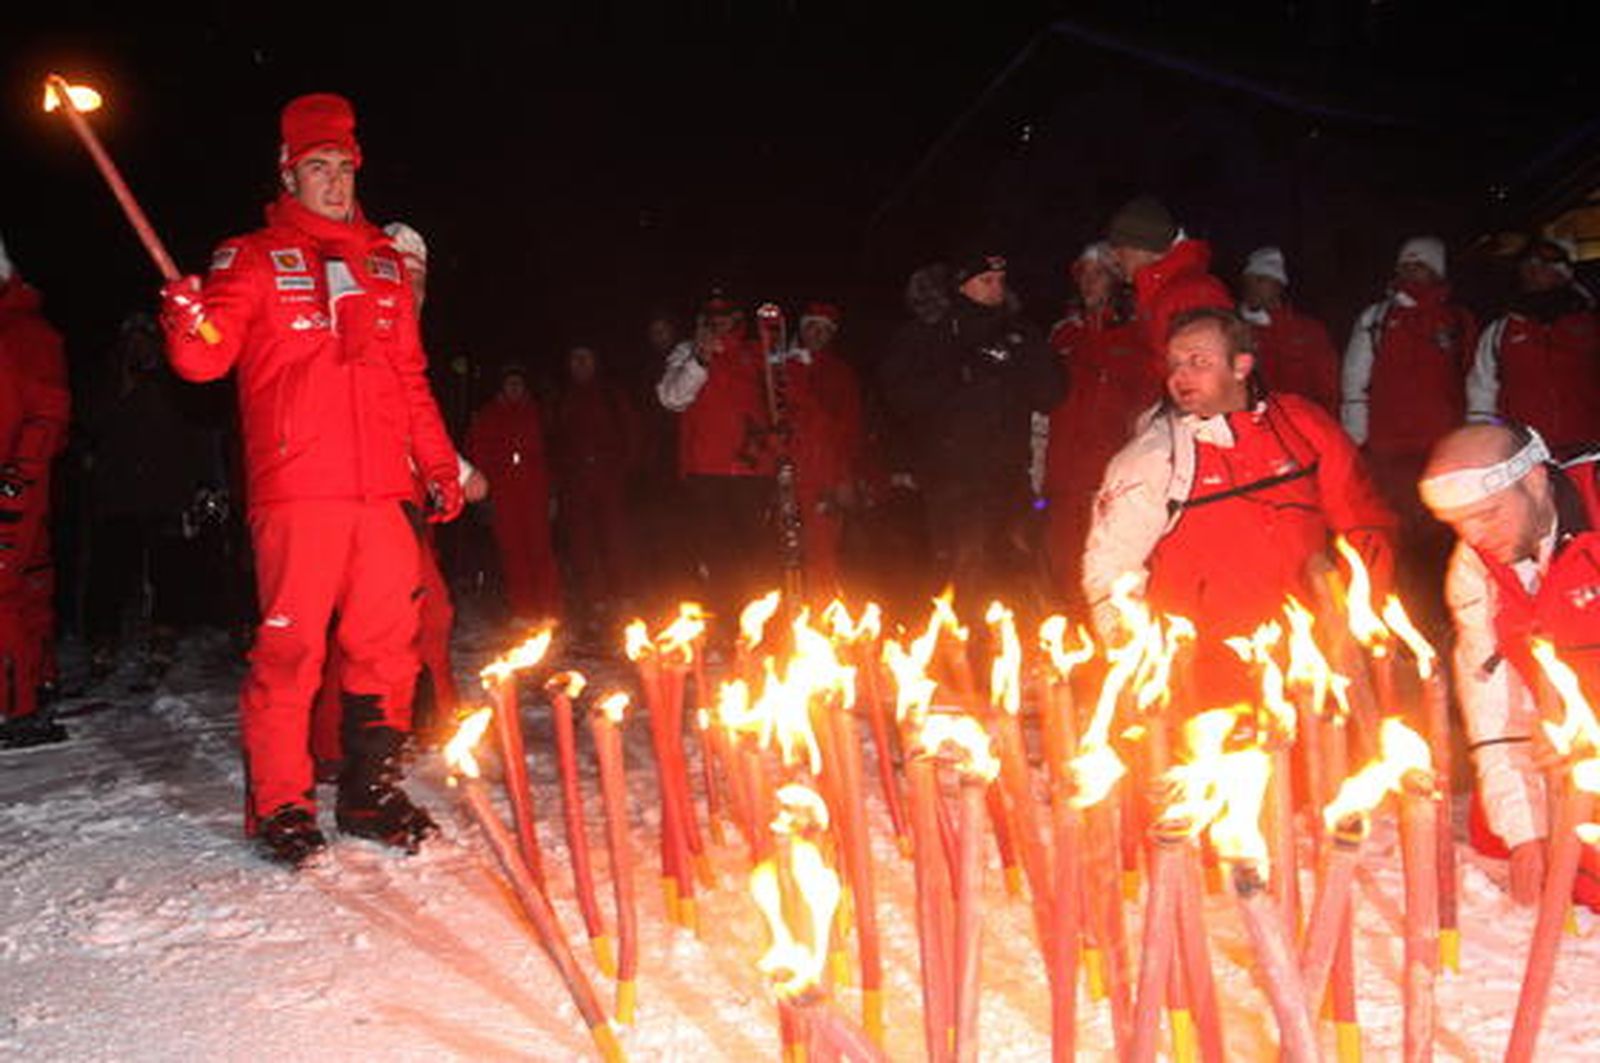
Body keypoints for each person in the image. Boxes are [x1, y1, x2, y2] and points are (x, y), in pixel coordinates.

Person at [160, 93, 463, 866]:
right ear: (288, 172)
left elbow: (410, 378)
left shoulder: (384, 264)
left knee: (386, 648)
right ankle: (283, 804)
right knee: (290, 652)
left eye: (343, 167)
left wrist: (436, 463)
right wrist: (185, 315)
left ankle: (368, 792)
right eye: (317, 167)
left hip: (383, 493)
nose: (333, 181)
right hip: (299, 490)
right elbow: (203, 360)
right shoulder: (251, 257)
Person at [1084, 307, 1396, 702]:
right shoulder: (1153, 456)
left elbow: (1363, 520)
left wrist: (1359, 613)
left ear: (1241, 365)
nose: (1180, 376)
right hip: (1207, 678)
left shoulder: (1301, 424)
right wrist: (1130, 657)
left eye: (1198, 361)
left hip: (1307, 661)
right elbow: (1111, 567)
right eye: (1175, 364)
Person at [1420, 422, 1600, 908]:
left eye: (1488, 514)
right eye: (1459, 523)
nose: (1475, 535)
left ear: (1536, 480)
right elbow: (1491, 702)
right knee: (1508, 832)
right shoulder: (1476, 563)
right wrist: (1524, 833)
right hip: (1572, 753)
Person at [880, 250, 1063, 603]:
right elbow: (898, 396)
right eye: (986, 281)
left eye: (1000, 281)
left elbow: (1051, 394)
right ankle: (961, 635)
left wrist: (1021, 365)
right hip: (954, 483)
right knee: (963, 576)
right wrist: (959, 376)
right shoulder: (932, 332)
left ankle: (1024, 635)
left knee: (1022, 571)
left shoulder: (1018, 334)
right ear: (962, 286)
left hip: (1010, 477)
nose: (996, 289)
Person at [82, 312, 229, 689]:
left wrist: (208, 482)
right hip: (118, 495)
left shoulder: (177, 379)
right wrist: (122, 389)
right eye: (133, 340)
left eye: (146, 339)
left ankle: (163, 638)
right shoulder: (110, 382)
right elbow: (87, 428)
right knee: (109, 571)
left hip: (168, 492)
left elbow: (202, 431)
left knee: (169, 570)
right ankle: (102, 643)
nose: (140, 347)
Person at [1342, 236, 1477, 607]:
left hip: (1441, 447)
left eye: (1420, 265)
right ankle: (1399, 603)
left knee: (1443, 529)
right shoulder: (1376, 319)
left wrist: (1472, 435)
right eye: (1405, 265)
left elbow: (1474, 378)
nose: (1411, 272)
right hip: (1388, 447)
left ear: (1436, 270)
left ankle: (1444, 605)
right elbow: (1355, 378)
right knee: (1393, 528)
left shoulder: (1457, 320)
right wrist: (1356, 437)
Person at [1043, 242, 1158, 605]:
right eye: (1084, 275)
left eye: (1099, 274)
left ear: (1115, 279)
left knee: (1110, 576)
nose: (1089, 282)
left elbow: (1151, 415)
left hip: (1112, 481)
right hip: (1063, 480)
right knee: (1061, 570)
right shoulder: (1063, 336)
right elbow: (1042, 411)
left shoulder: (1138, 336)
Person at [657, 294, 773, 623]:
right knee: (715, 554)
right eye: (712, 317)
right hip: (706, 471)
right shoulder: (686, 352)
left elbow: (779, 398)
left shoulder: (756, 352)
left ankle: (757, 627)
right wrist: (701, 359)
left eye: (726, 316)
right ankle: (723, 623)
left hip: (752, 471)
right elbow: (672, 398)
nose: (719, 322)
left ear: (737, 318)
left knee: (756, 553)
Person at [0, 233, 70, 748]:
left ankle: (14, 707)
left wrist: (18, 476)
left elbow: (49, 414)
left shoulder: (25, 332)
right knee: (25, 590)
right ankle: (35, 687)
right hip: (20, 483)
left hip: (15, 483)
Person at [1467, 235, 1600, 451]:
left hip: (1589, 446)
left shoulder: (1591, 323)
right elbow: (1482, 388)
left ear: (1563, 271)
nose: (1533, 268)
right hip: (1526, 452)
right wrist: (1482, 436)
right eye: (1528, 262)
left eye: (1544, 262)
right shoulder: (1501, 330)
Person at [779, 302, 864, 598]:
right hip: (786, 472)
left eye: (825, 330)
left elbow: (849, 431)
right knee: (784, 550)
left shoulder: (840, 374)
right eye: (812, 327)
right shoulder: (781, 368)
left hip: (824, 475)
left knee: (822, 550)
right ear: (802, 329)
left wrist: (844, 478)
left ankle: (822, 613)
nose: (817, 334)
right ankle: (784, 615)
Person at [552, 344, 639, 624]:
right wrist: (559, 478)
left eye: (585, 358)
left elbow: (631, 432)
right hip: (575, 482)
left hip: (609, 478)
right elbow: (553, 439)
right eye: (575, 358)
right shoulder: (561, 397)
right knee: (583, 543)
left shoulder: (611, 394)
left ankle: (624, 595)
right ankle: (596, 599)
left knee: (616, 538)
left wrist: (624, 469)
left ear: (595, 361)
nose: (580, 364)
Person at [467, 364, 561, 622]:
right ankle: (524, 610)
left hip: (535, 493)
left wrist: (552, 494)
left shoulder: (538, 413)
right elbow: (477, 456)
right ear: (501, 386)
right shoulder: (487, 416)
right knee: (513, 554)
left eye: (519, 382)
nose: (515, 387)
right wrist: (484, 497)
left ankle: (550, 610)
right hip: (503, 496)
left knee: (542, 552)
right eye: (510, 382)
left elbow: (550, 455)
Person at [1103, 196, 1232, 354]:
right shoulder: (1155, 292)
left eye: (1120, 248)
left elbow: (1208, 364)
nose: (1114, 257)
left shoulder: (1192, 293)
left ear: (1146, 248)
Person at [1237, 246, 1340, 415]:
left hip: (1301, 421)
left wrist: (1326, 421)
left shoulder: (1308, 331)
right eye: (1248, 280)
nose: (1252, 286)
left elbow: (1329, 389)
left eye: (1261, 280)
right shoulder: (1235, 330)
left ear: (1278, 285)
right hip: (1252, 422)